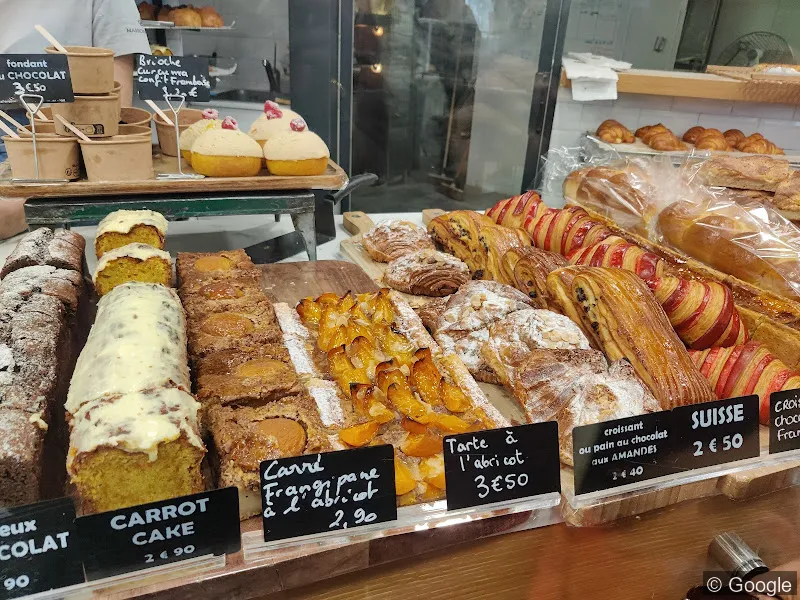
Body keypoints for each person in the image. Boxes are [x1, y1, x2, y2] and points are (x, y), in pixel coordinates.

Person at [0, 0, 149, 239]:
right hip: (12, 128)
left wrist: (29, 208)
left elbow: (114, 103)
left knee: (74, 249)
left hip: (70, 139)